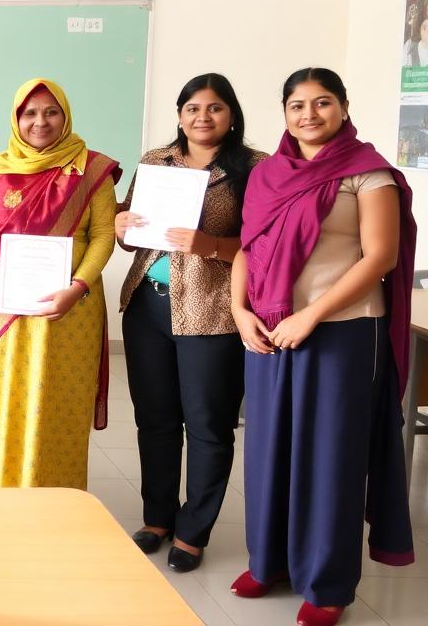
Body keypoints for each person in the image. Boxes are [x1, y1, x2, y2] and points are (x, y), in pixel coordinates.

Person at [230, 68, 415, 626]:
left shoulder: (368, 172)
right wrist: (240, 312)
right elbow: (246, 249)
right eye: (297, 105)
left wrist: (310, 315)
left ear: (343, 107)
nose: (309, 114)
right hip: (269, 329)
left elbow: (379, 257)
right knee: (268, 451)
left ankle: (328, 584)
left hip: (343, 331)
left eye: (322, 102)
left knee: (330, 458)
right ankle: (269, 563)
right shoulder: (267, 174)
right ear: (285, 113)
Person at [114, 73, 265, 573]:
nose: (203, 117)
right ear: (179, 115)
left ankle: (193, 531)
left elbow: (265, 244)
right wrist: (120, 224)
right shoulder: (156, 161)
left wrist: (213, 246)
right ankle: (157, 518)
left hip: (213, 309)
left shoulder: (255, 168)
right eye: (192, 108)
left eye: (215, 108)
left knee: (207, 425)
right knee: (155, 419)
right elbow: (131, 233)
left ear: (231, 114)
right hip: (147, 306)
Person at [0, 78, 118, 490]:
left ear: (65, 116)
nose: (40, 121)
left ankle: (56, 501)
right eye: (29, 113)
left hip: (70, 310)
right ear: (16, 119)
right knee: (0, 398)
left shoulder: (90, 169)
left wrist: (78, 287)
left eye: (51, 112)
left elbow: (104, 234)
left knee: (58, 401)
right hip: (2, 306)